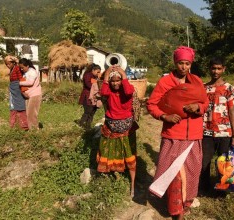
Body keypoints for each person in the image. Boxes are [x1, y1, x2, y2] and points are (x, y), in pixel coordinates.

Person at [146, 46, 208, 219]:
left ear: (191, 64)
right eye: (180, 63)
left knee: (191, 173)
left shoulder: (196, 81)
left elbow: (205, 103)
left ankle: (186, 202)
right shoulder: (165, 82)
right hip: (173, 136)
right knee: (174, 175)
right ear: (175, 62)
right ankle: (176, 210)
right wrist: (165, 116)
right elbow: (151, 105)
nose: (183, 67)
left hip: (194, 136)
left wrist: (198, 107)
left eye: (187, 63)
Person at [96, 65, 138, 198]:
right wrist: (108, 73)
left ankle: (132, 185)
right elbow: (103, 91)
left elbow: (128, 90)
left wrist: (123, 74)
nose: (115, 83)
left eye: (118, 80)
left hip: (121, 125)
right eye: (112, 81)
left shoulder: (128, 91)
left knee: (129, 155)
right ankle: (116, 174)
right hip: (114, 124)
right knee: (116, 152)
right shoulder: (109, 92)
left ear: (122, 81)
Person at [198, 57, 234, 194]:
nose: (216, 71)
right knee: (204, 162)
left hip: (225, 132)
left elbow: (232, 111)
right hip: (207, 132)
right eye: (213, 68)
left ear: (224, 69)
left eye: (219, 68)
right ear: (209, 69)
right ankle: (203, 189)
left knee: (224, 163)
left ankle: (223, 189)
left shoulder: (229, 88)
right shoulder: (203, 88)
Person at [4, 55, 28, 130]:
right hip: (13, 91)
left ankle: (24, 125)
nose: (8, 65)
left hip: (18, 90)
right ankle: (13, 124)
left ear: (13, 63)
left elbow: (21, 79)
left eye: (9, 64)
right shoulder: (12, 69)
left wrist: (23, 91)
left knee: (21, 107)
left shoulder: (17, 68)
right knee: (13, 107)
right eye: (6, 64)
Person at [18, 58, 42, 130]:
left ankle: (34, 129)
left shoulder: (32, 72)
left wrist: (19, 83)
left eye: (22, 67)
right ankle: (31, 128)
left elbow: (30, 83)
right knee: (28, 113)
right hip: (29, 95)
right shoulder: (26, 72)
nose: (21, 69)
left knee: (32, 114)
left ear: (27, 66)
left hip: (35, 95)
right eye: (20, 68)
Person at [78, 63, 101, 130]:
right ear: (93, 70)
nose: (98, 73)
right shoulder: (87, 75)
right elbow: (89, 84)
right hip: (87, 96)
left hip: (94, 97)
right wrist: (97, 82)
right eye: (98, 72)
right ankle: (81, 124)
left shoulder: (95, 77)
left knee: (92, 112)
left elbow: (97, 83)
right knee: (87, 112)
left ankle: (88, 126)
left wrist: (98, 80)